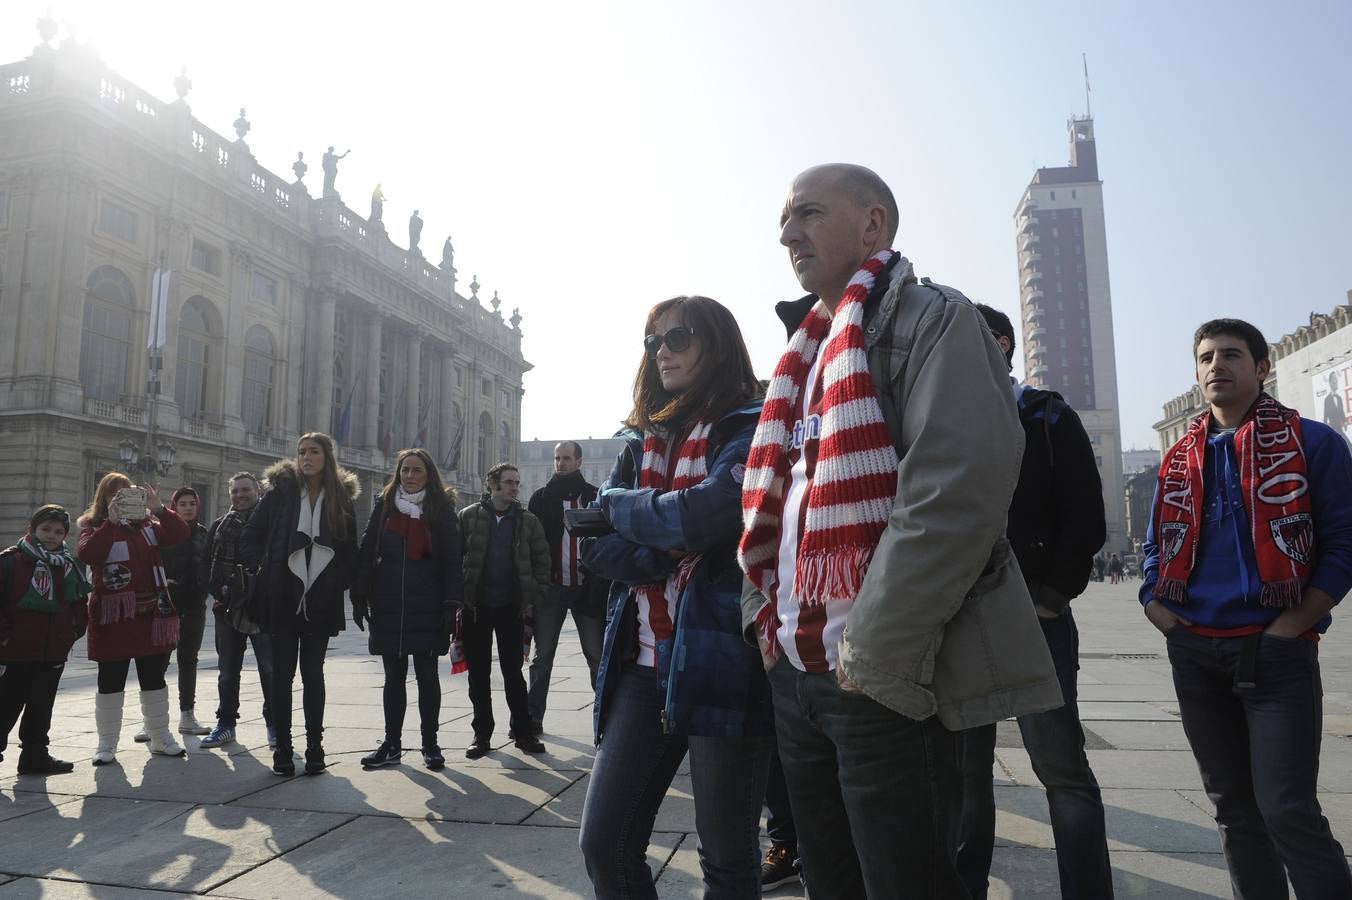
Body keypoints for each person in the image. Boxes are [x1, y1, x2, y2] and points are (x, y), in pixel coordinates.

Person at [739, 164, 1060, 899]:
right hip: (797, 672)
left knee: (907, 881)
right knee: (831, 878)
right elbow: (772, 503)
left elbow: (952, 499)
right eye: (785, 219)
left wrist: (874, 646)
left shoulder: (931, 321)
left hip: (884, 675)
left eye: (809, 213)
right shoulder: (803, 353)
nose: (787, 233)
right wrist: (764, 621)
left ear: (873, 224)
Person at [1141, 318, 1352, 898]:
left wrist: (1294, 624)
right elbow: (1153, 545)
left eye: (1232, 355)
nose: (1217, 366)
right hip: (1196, 653)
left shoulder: (1313, 443)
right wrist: (1157, 609)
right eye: (1206, 357)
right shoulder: (1180, 460)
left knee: (1287, 810)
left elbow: (1343, 540)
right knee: (1234, 811)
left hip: (1276, 653)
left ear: (1262, 369)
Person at [579, 295, 774, 899]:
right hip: (642, 666)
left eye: (679, 337)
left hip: (722, 664)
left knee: (727, 860)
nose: (662, 350)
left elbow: (705, 516)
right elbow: (592, 549)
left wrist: (619, 510)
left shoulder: (752, 426)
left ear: (716, 344)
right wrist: (661, 546)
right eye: (653, 341)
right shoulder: (641, 443)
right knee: (604, 843)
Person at [958, 305, 1112, 900]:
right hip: (960, 622)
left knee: (1061, 769)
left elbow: (1085, 517)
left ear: (1001, 345)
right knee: (965, 777)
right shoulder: (940, 417)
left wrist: (1051, 599)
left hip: (1036, 619)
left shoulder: (1048, 416)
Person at [239, 433, 359, 777]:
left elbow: (351, 551)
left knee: (313, 673)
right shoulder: (280, 494)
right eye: (302, 452)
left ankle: (315, 747)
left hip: (321, 597)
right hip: (281, 596)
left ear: (327, 457)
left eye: (314, 452)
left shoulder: (340, 498)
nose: (306, 457)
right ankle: (284, 749)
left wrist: (338, 582)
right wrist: (263, 572)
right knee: (281, 675)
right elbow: (251, 537)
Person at [352, 448, 464, 771]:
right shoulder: (385, 506)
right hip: (389, 604)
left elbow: (454, 561)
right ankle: (391, 745)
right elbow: (367, 547)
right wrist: (360, 595)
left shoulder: (441, 509)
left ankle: (430, 744)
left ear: (429, 474)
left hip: (428, 606)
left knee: (428, 677)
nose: (410, 476)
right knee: (393, 678)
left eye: (416, 470)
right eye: (405, 470)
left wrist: (451, 604)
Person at [76, 473, 189, 764]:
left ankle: (160, 736)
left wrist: (161, 508)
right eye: (114, 492)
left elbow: (180, 534)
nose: (121, 496)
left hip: (151, 613)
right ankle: (107, 744)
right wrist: (111, 523)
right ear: (104, 497)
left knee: (154, 678)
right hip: (113, 618)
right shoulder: (92, 526)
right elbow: (89, 554)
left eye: (126, 492)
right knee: (110, 680)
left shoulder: (149, 526)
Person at [457, 463, 550, 758]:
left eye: (517, 483)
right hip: (476, 607)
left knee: (513, 673)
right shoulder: (468, 517)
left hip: (511, 607)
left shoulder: (528, 521)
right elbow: (456, 557)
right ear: (491, 484)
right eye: (508, 482)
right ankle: (481, 735)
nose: (514, 488)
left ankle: (522, 732)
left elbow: (542, 561)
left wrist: (533, 593)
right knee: (479, 676)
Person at [0, 505, 91, 774]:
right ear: (32, 529)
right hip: (14, 651)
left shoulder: (68, 565)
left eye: (58, 532)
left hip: (52, 650)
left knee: (41, 707)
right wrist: (5, 636)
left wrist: (73, 631)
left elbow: (78, 602)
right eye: (46, 530)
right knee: (5, 705)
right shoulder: (10, 562)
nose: (51, 536)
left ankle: (34, 756)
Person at [525, 440, 605, 734]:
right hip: (551, 589)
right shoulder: (540, 498)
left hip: (587, 588)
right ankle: (532, 718)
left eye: (567, 458)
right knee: (542, 656)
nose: (561, 463)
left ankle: (604, 719)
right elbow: (529, 546)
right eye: (557, 458)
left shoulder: (594, 496)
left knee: (596, 656)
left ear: (579, 461)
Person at [200, 472, 275, 750]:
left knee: (269, 668)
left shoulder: (270, 525)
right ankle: (226, 724)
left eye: (245, 490)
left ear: (258, 492)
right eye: (235, 491)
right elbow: (206, 564)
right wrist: (217, 590)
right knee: (228, 670)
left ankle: (274, 725)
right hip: (227, 608)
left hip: (262, 609)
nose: (240, 495)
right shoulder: (220, 525)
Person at [159, 487, 210, 737]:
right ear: (174, 507)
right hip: (166, 605)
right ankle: (153, 718)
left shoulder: (204, 533)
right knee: (158, 661)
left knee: (188, 660)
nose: (188, 507)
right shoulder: (163, 532)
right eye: (183, 503)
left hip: (195, 606)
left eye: (192, 503)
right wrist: (160, 581)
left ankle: (187, 715)